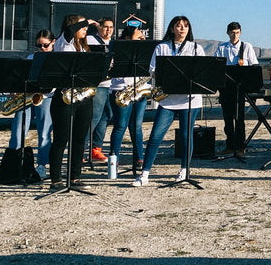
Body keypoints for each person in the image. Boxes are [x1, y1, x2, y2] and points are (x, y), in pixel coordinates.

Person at [133, 16, 205, 187]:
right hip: (168, 100)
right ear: (172, 28)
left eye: (185, 26)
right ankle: (144, 174)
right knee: (156, 136)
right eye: (178, 26)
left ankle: (184, 170)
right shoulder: (162, 47)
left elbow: (203, 70)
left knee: (186, 136)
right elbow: (153, 71)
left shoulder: (196, 48)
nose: (182, 29)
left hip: (190, 100)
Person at [48, 15, 100, 189]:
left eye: (86, 26)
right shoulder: (64, 42)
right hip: (64, 98)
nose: (85, 29)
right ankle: (55, 180)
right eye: (82, 25)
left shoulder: (84, 48)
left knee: (79, 139)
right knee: (61, 139)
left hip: (83, 98)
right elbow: (69, 31)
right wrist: (88, 21)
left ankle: (74, 177)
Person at [5, 29, 55, 179]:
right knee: (17, 131)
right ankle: (15, 164)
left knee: (44, 134)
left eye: (45, 45)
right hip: (27, 98)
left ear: (53, 43)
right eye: (38, 45)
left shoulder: (55, 58)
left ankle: (42, 166)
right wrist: (16, 89)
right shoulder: (31, 57)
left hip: (46, 97)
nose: (41, 49)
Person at [214, 21, 260, 161]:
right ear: (228, 33)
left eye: (237, 32)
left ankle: (240, 147)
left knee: (240, 118)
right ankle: (229, 145)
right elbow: (216, 65)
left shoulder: (246, 47)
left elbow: (254, 66)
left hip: (241, 87)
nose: (235, 35)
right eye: (232, 33)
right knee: (228, 118)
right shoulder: (222, 48)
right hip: (226, 87)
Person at [109, 26, 149, 174]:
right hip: (121, 90)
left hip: (139, 92)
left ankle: (139, 159)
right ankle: (114, 160)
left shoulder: (144, 51)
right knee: (120, 126)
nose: (141, 38)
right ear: (127, 38)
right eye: (138, 36)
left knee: (136, 127)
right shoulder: (116, 51)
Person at [86, 16, 115, 164]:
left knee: (106, 117)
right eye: (105, 27)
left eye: (111, 27)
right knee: (94, 117)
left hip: (111, 85)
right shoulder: (91, 40)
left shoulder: (114, 43)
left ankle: (96, 149)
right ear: (99, 28)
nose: (108, 30)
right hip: (98, 85)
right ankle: (82, 149)